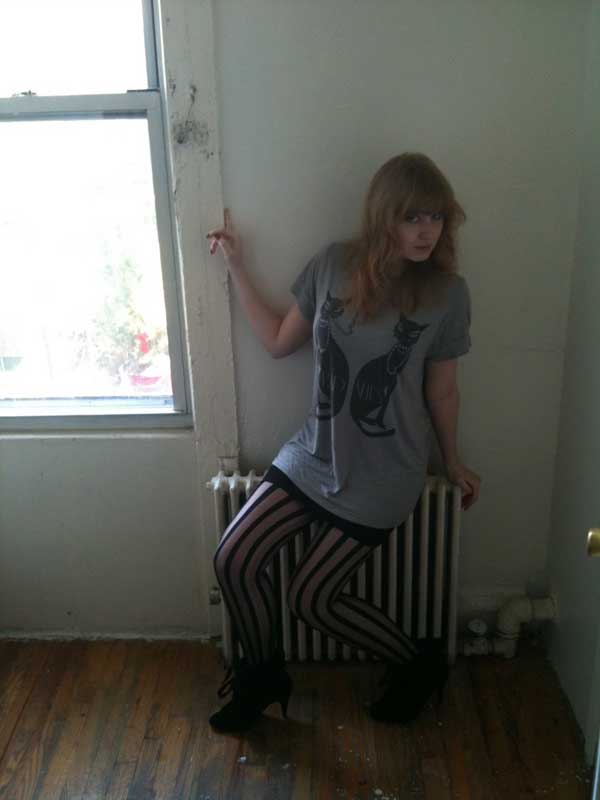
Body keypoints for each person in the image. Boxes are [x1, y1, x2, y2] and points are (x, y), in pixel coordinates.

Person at [206, 152, 481, 733]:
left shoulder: (447, 294)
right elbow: (278, 340)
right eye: (412, 217)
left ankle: (418, 662)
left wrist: (453, 462)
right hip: (313, 454)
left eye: (436, 217)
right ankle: (261, 676)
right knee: (233, 558)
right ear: (384, 216)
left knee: (312, 599)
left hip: (385, 474)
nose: (426, 231)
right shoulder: (333, 265)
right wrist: (236, 265)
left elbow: (443, 391)